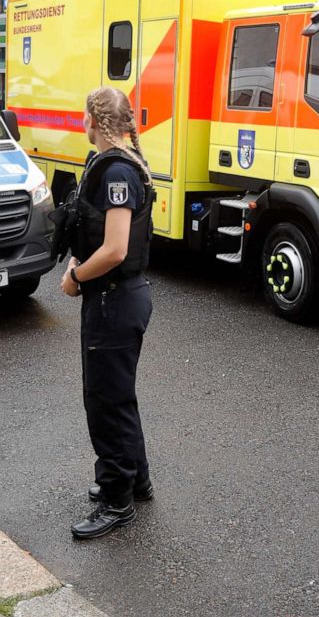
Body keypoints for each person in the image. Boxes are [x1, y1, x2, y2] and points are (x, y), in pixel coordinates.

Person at [58, 87, 155, 539]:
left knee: (104, 400)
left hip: (113, 300)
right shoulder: (125, 163)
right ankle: (135, 479)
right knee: (119, 395)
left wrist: (76, 279)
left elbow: (115, 249)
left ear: (93, 122)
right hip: (121, 297)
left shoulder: (117, 170)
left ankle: (116, 499)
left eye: (84, 117)